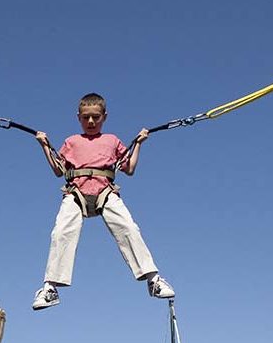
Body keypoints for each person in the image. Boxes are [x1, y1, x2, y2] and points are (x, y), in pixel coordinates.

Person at [32, 92, 175, 310]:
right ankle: (50, 288)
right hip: (76, 192)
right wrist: (44, 145)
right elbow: (57, 170)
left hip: (105, 192)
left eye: (96, 117)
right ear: (78, 117)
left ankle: (153, 280)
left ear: (104, 117)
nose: (91, 122)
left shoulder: (111, 141)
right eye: (86, 117)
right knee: (61, 232)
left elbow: (129, 169)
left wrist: (138, 143)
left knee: (128, 228)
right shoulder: (71, 141)